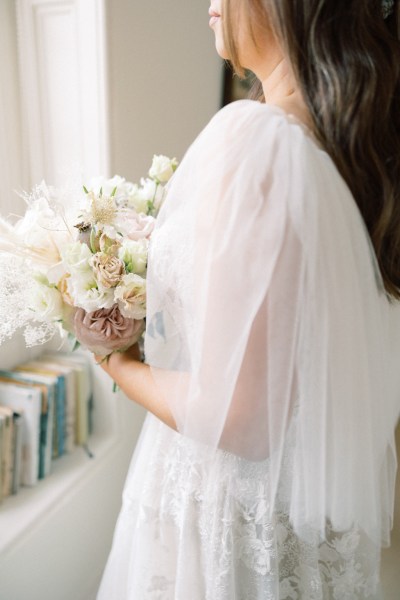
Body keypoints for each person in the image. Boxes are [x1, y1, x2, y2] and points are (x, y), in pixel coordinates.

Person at [96, 1, 400, 598]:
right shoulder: (358, 157)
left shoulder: (258, 139)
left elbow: (240, 413)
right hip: (299, 527)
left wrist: (115, 362)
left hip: (224, 525)